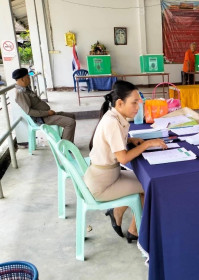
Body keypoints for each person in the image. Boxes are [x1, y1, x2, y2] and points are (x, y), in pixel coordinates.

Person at [85, 80, 167, 242]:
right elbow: (123, 158)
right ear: (120, 103)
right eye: (134, 102)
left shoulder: (114, 115)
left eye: (139, 102)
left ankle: (117, 212)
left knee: (146, 181)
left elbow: (113, 142)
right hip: (103, 184)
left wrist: (130, 140)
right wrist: (148, 144)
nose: (138, 107)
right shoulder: (112, 122)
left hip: (106, 175)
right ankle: (133, 230)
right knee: (149, 187)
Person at [12, 68, 76, 142]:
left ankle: (65, 140)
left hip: (46, 114)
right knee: (70, 122)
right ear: (22, 79)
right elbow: (29, 111)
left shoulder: (25, 89)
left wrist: (48, 112)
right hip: (42, 118)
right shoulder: (21, 93)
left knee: (72, 116)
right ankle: (66, 147)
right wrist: (47, 113)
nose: (29, 79)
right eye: (27, 77)